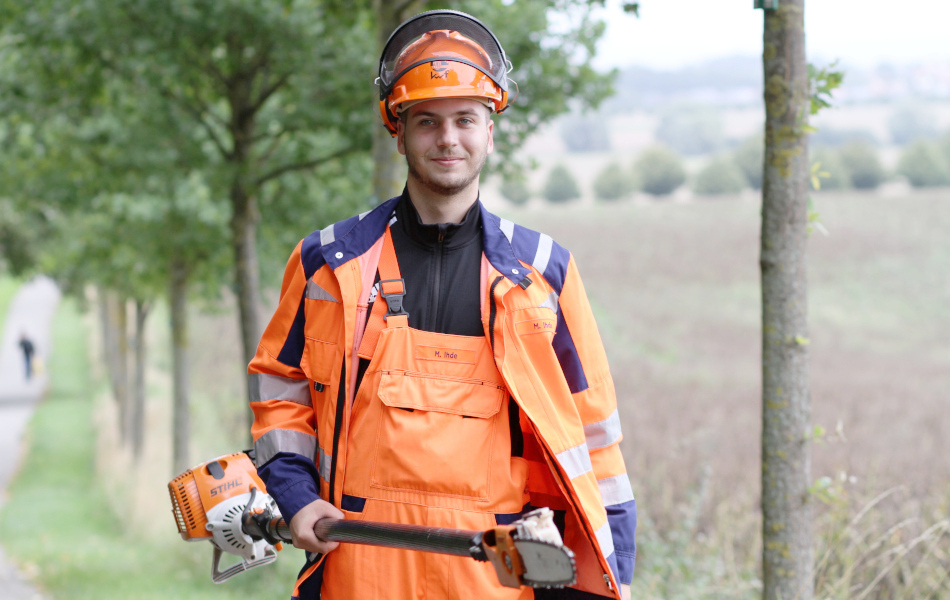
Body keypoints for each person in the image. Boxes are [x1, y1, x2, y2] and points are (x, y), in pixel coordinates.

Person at [248, 10, 636, 600]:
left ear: (491, 128)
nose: (447, 138)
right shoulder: (327, 264)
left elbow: (595, 441)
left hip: (499, 574)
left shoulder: (544, 276)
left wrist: (600, 582)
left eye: (464, 119)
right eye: (427, 121)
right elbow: (281, 395)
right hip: (357, 563)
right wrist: (297, 499)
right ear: (396, 131)